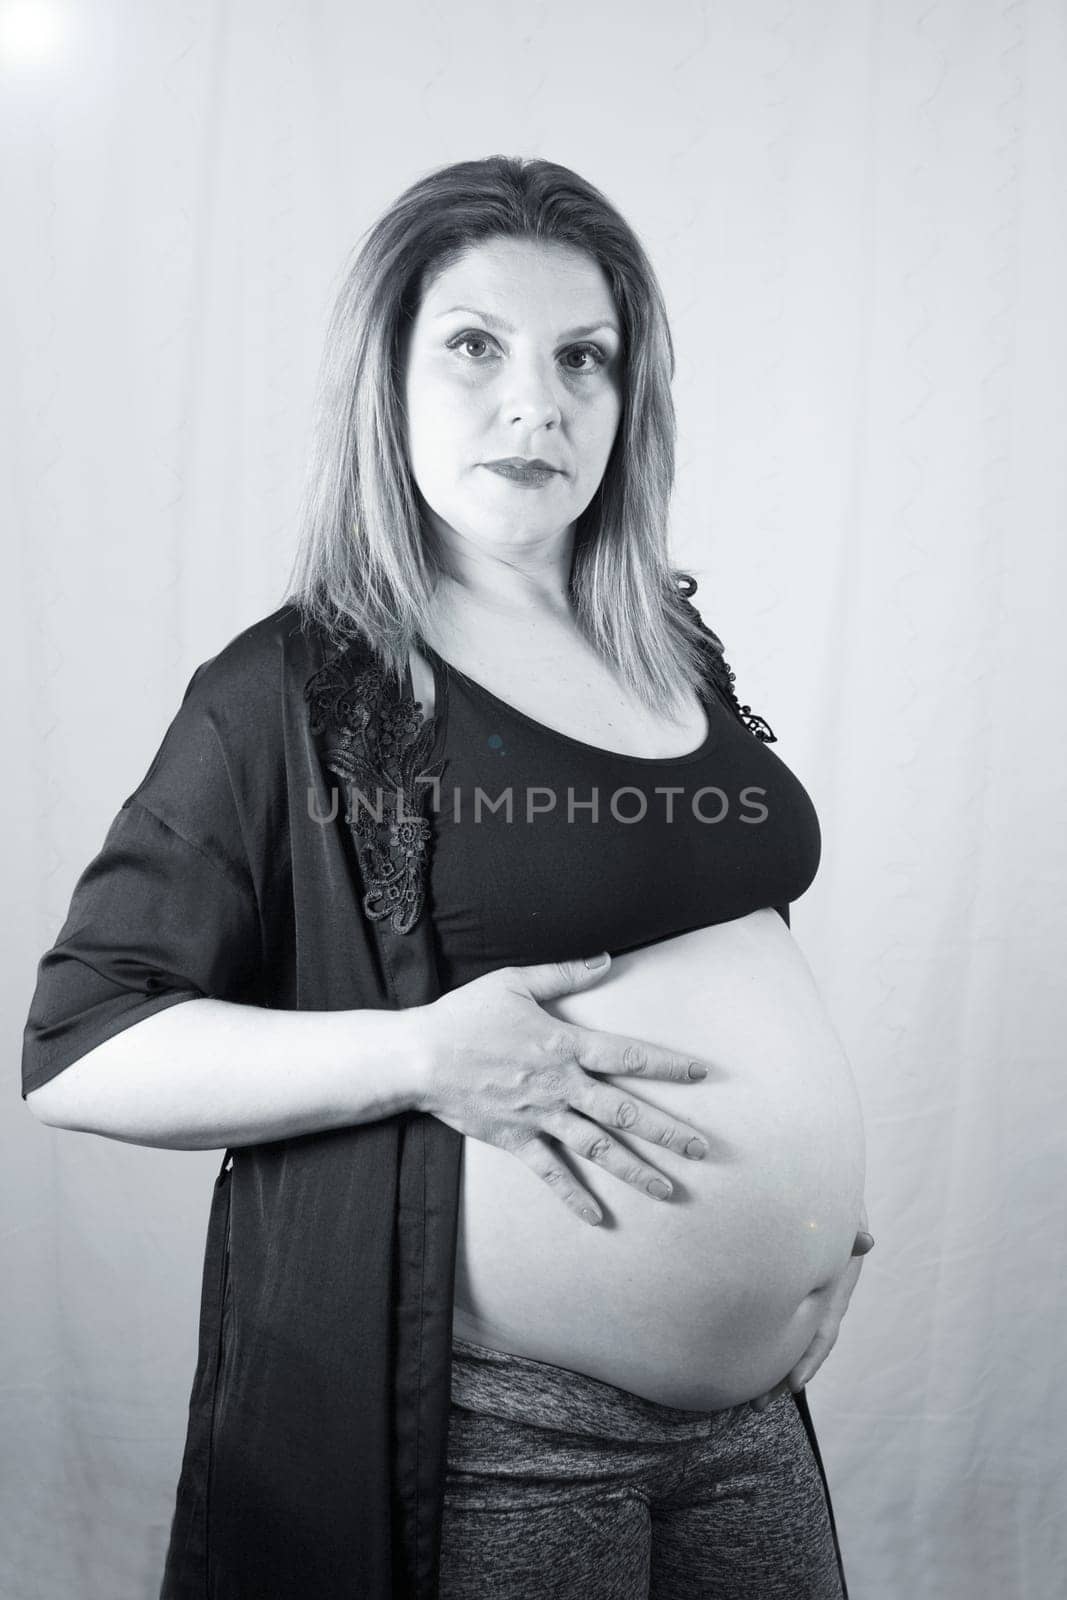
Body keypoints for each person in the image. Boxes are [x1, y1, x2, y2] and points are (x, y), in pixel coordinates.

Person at [22, 155, 873, 1599]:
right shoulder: (291, 687)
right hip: (506, 1437)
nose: (536, 403)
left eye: (583, 358)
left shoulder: (669, 645)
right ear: (388, 376)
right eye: (475, 346)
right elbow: (79, 1044)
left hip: (750, 1423)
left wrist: (798, 1226)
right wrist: (422, 1056)